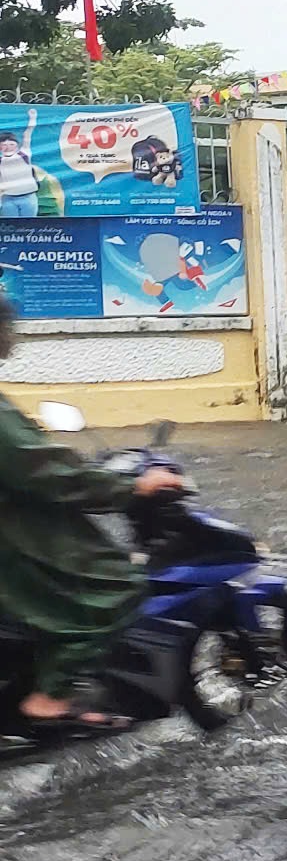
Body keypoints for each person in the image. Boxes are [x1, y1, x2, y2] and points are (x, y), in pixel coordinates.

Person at [0, 295, 186, 730]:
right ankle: (48, 699)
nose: (12, 336)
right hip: (12, 536)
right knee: (116, 587)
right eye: (6, 325)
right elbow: (50, 473)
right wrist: (133, 485)